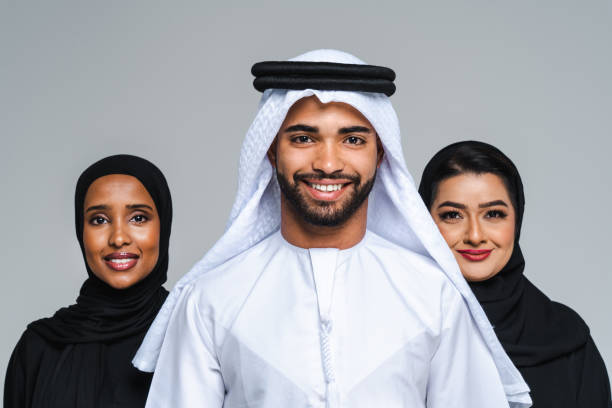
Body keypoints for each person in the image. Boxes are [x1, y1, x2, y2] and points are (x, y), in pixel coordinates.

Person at [135, 50, 531, 407]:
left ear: (380, 154)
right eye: (304, 138)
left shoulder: (434, 297)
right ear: (272, 152)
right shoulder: (211, 301)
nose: (328, 163)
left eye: (353, 139)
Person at [418, 140, 612, 408]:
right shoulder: (399, 330)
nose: (475, 236)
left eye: (493, 214)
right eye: (453, 215)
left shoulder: (567, 338)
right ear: (426, 223)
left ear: (517, 219)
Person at [4, 155, 172, 408]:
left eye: (138, 217)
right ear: (81, 231)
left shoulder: (193, 335)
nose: (118, 238)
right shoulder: (40, 346)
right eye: (99, 220)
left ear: (163, 226)